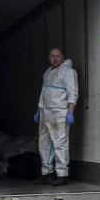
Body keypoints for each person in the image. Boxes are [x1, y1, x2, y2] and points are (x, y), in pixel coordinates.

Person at [34, 48, 78, 186]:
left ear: (62, 57)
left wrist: (70, 111)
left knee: (60, 144)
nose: (55, 58)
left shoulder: (69, 72)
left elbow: (73, 93)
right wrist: (39, 109)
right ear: (49, 58)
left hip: (59, 112)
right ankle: (47, 173)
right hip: (45, 112)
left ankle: (62, 174)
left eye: (58, 56)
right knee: (44, 144)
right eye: (52, 56)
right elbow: (44, 92)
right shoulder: (48, 72)